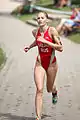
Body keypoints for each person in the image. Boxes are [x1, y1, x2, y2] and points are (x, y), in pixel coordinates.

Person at [24, 11, 63, 120]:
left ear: (47, 20)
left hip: (51, 64)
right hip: (39, 63)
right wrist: (30, 46)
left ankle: (54, 92)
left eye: (42, 18)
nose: (40, 19)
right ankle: (38, 117)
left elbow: (60, 48)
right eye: (38, 18)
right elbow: (37, 41)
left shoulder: (52, 31)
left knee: (49, 89)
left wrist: (47, 42)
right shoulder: (35, 31)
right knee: (39, 89)